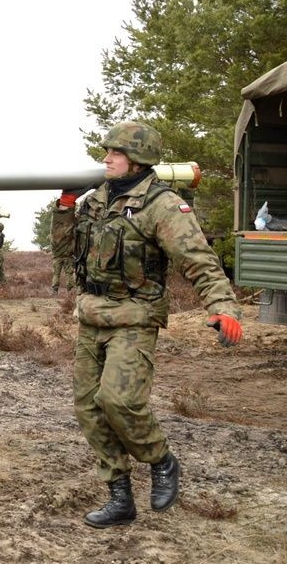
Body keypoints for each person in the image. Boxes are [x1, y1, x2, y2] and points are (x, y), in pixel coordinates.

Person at [52, 121, 243, 529]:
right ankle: (119, 496)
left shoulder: (162, 205)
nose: (106, 158)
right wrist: (65, 207)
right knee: (89, 408)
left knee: (118, 400)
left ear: (138, 159)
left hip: (135, 316)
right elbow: (65, 253)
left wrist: (223, 306)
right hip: (92, 315)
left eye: (115, 152)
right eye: (107, 151)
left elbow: (198, 259)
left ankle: (161, 460)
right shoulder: (96, 200)